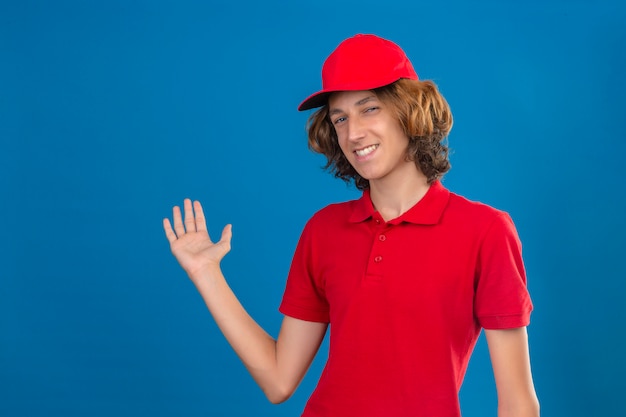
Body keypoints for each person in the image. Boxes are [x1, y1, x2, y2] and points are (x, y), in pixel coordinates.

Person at [163, 34, 540, 417]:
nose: (353, 132)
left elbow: (519, 404)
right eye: (339, 118)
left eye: (369, 109)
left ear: (409, 109)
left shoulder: (485, 230)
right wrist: (206, 273)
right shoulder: (323, 230)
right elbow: (278, 381)